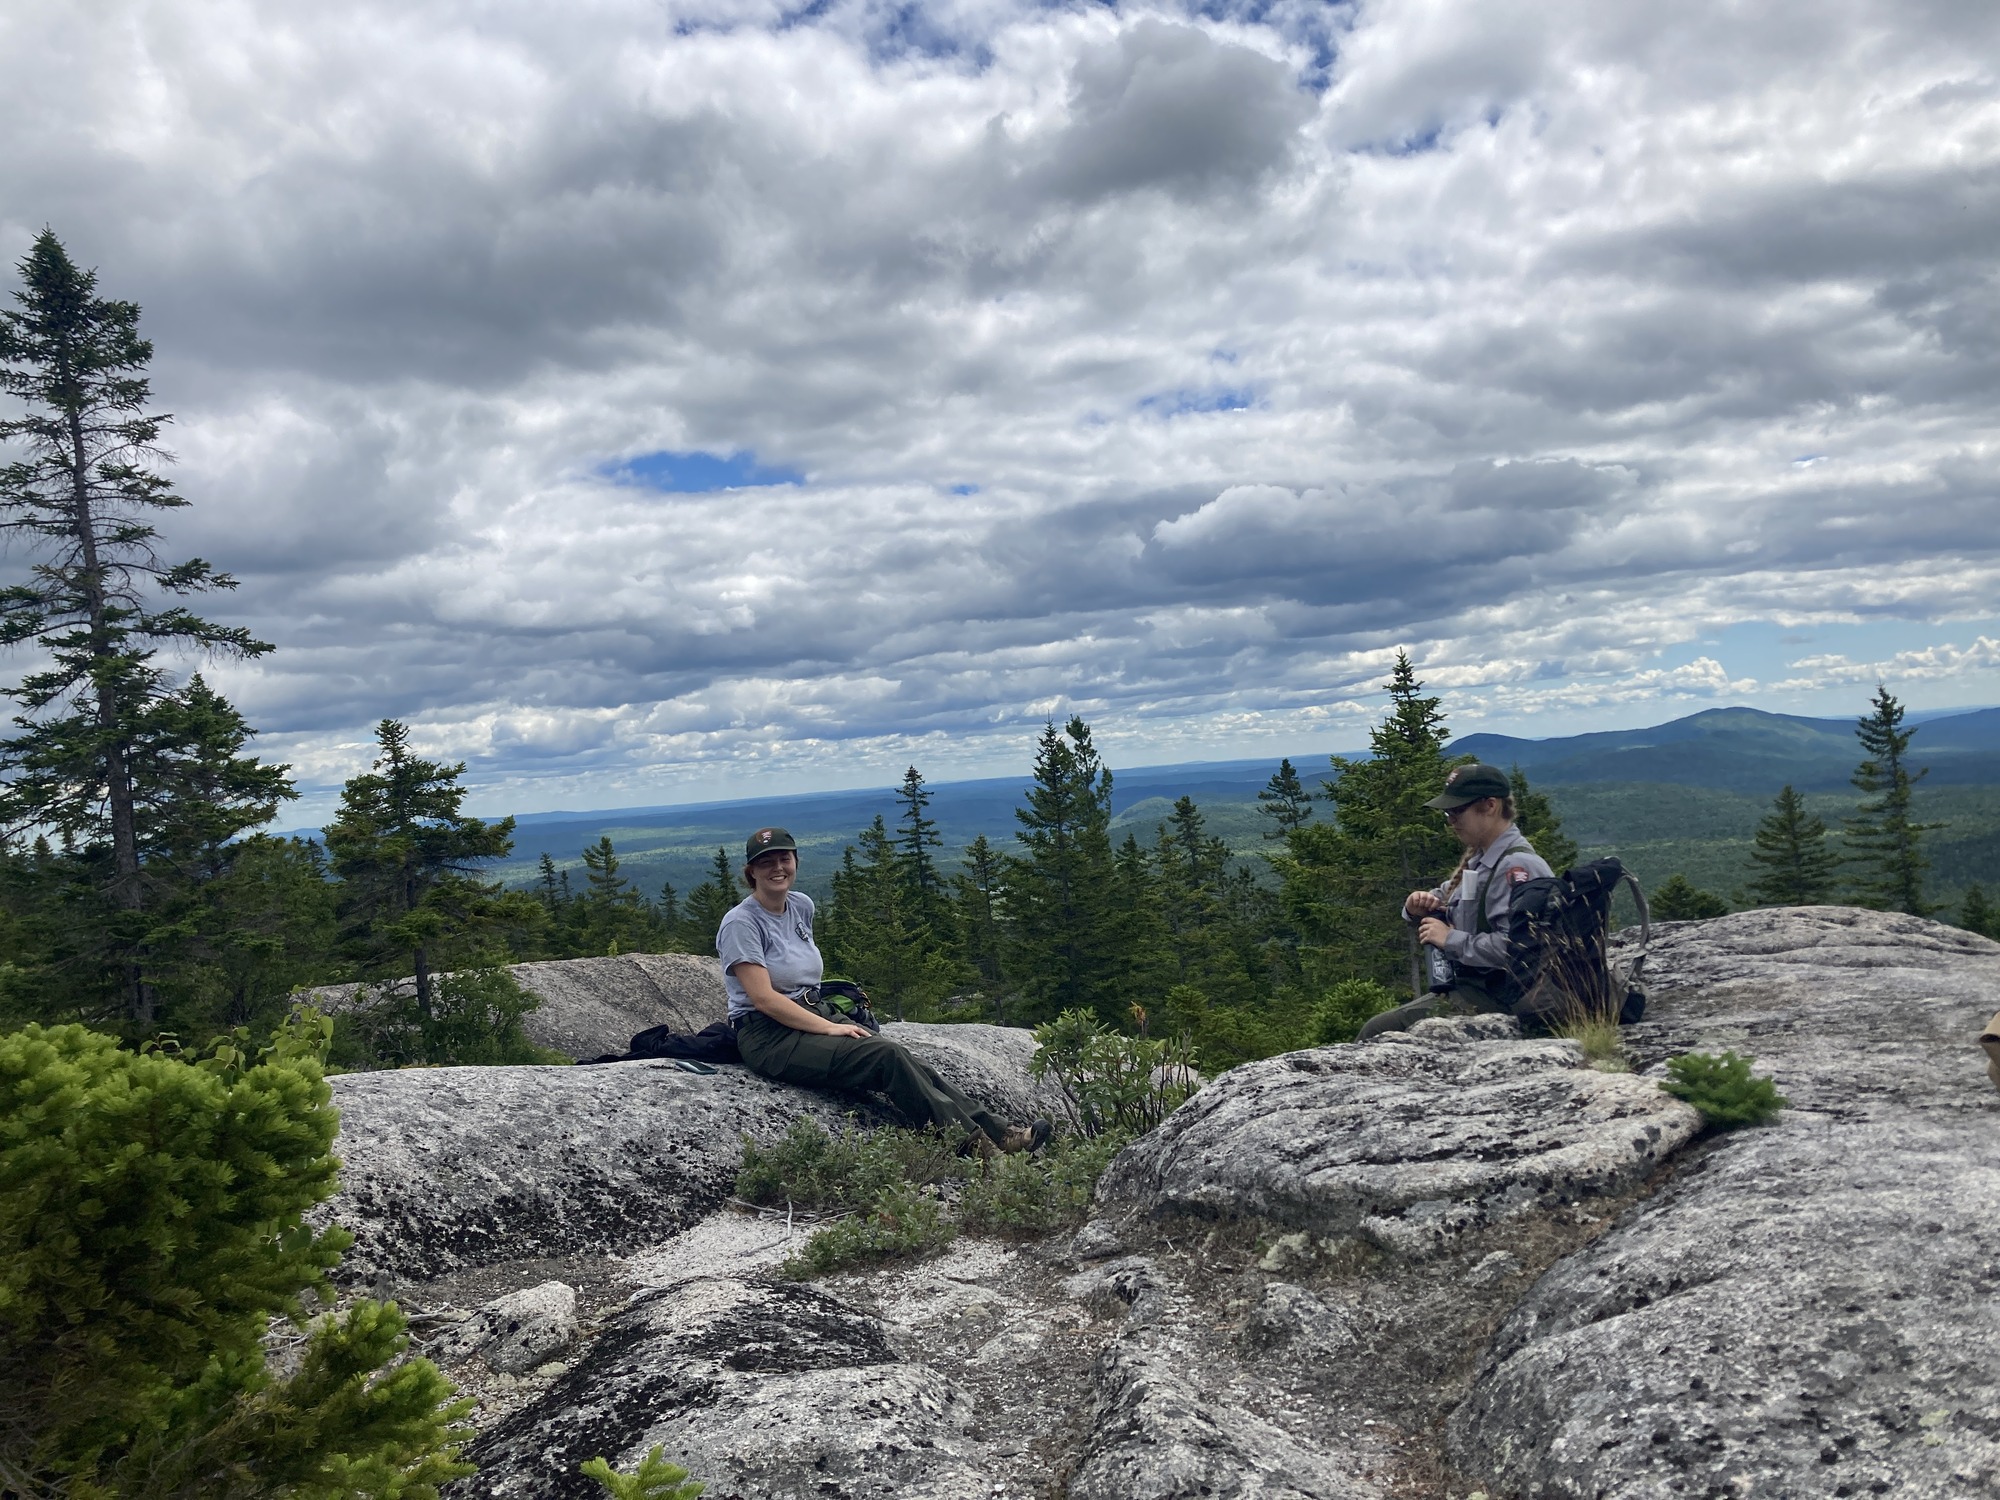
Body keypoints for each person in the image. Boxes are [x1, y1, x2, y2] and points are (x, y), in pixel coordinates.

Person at [718, 826, 1050, 1155]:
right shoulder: (741, 923)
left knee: (908, 1059)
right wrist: (832, 1028)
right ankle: (973, 1150)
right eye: (766, 862)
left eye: (783, 858)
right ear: (751, 873)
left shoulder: (801, 906)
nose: (777, 868)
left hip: (811, 1014)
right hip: (770, 1037)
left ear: (795, 862)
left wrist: (828, 1019)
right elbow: (763, 999)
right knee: (885, 1057)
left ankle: (1001, 1132)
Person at [1356, 763, 1554, 1041]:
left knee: (1378, 1030)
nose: (1451, 819)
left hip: (1500, 994)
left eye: (1458, 810)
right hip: (1479, 988)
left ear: (1490, 806)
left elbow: (1517, 949)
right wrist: (1418, 905)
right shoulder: (1484, 859)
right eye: (1448, 812)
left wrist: (1450, 939)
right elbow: (1457, 898)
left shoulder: (1517, 867)